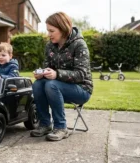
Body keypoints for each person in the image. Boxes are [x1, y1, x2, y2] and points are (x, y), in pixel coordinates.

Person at [30, 12, 93, 141]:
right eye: (48, 31)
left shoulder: (79, 45)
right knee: (37, 84)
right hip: (56, 86)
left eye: (52, 31)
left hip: (81, 89)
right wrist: (41, 73)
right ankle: (45, 124)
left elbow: (81, 74)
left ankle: (61, 127)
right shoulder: (50, 46)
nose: (49, 34)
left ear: (63, 28)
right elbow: (48, 67)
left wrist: (56, 74)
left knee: (51, 84)